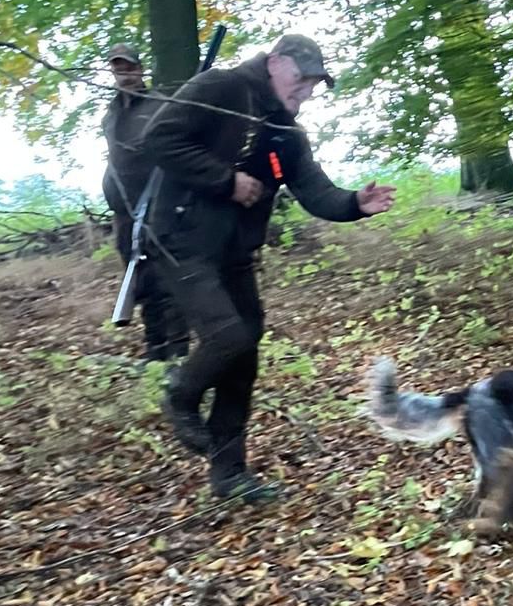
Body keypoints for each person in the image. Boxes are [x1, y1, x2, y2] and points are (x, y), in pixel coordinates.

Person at [135, 32, 395, 502]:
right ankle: (180, 393)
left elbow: (315, 191)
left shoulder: (286, 132)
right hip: (181, 240)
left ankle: (229, 475)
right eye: (302, 78)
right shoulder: (220, 87)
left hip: (235, 253)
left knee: (244, 358)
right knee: (228, 337)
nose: (307, 91)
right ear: (275, 63)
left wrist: (355, 203)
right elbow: (158, 139)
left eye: (314, 84)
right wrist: (225, 180)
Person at [100, 44, 188, 361]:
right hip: (125, 212)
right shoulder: (111, 115)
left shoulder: (160, 106)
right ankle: (155, 348)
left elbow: (177, 151)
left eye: (129, 67)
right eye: (118, 68)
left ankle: (177, 351)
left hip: (160, 206)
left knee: (168, 282)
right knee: (140, 282)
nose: (124, 74)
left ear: (140, 69)